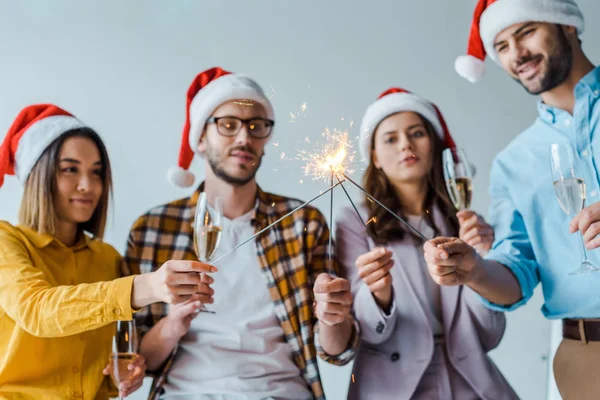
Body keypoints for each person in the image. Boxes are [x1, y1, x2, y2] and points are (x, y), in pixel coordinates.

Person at [125, 66, 360, 400]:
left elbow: (336, 352)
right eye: (228, 124)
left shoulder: (301, 222)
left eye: (256, 126)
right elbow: (140, 362)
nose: (244, 137)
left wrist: (332, 316)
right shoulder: (152, 229)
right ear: (201, 138)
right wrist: (174, 322)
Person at [424, 0, 600, 398]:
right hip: (588, 358)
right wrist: (475, 271)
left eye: (526, 32)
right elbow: (517, 271)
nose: (516, 54)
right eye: (500, 46)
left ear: (566, 24)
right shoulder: (513, 163)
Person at [0, 104, 216, 399]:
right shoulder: (6, 242)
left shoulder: (108, 259)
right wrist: (148, 285)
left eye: (97, 172)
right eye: (70, 169)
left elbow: (108, 373)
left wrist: (128, 373)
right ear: (39, 175)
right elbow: (38, 311)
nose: (88, 185)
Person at [333, 88, 517, 399]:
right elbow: (360, 330)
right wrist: (378, 294)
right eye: (390, 138)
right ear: (375, 157)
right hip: (391, 386)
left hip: (471, 381)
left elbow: (490, 335)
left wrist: (481, 267)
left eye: (417, 133)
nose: (406, 144)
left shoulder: (463, 220)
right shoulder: (355, 221)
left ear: (433, 144)